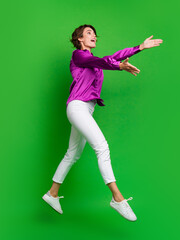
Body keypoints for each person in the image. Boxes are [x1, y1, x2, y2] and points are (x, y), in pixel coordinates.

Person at [42, 24, 163, 221]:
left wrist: (139, 47)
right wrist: (118, 66)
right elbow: (105, 61)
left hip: (86, 109)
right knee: (102, 147)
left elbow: (113, 57)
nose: (94, 36)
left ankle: (52, 193)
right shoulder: (79, 56)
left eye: (94, 33)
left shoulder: (93, 61)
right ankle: (117, 198)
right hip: (78, 107)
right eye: (89, 33)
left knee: (72, 154)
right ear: (79, 39)